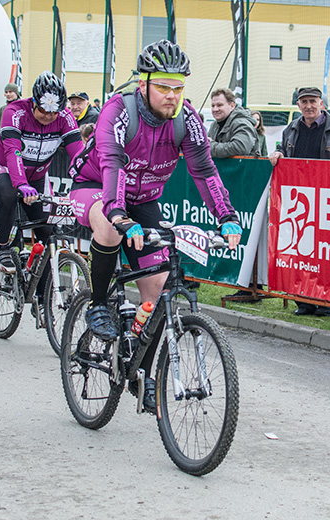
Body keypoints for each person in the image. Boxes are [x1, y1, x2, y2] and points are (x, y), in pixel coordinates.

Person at [68, 40, 241, 412]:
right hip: (95, 188)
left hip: (143, 199)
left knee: (157, 292)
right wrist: (116, 212)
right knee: (112, 228)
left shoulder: (186, 118)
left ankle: (142, 375)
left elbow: (205, 171)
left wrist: (226, 216)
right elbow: (112, 165)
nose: (172, 95)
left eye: (179, 87)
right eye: (164, 86)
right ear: (143, 84)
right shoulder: (118, 112)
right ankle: (98, 304)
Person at [0, 70, 83, 280]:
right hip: (2, 165)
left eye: (53, 113)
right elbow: (13, 150)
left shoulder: (65, 117)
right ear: (34, 103)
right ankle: (2, 247)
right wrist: (20, 183)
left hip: (37, 176)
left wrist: (91, 183)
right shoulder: (15, 112)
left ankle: (42, 293)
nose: (48, 117)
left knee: (47, 235)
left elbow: (78, 155)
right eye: (43, 111)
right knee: (9, 195)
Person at [269, 86, 330, 317]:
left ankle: (326, 302)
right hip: (299, 200)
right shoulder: (292, 128)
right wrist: (278, 153)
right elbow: (282, 148)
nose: (308, 105)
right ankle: (303, 300)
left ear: (321, 104)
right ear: (298, 105)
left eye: (313, 101)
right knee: (301, 250)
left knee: (327, 253)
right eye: (304, 101)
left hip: (329, 201)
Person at [206, 88, 259, 158]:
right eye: (213, 106)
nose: (215, 109)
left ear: (232, 106)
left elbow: (240, 148)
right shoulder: (214, 125)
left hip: (243, 168)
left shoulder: (242, 123)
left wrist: (210, 146)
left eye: (219, 105)